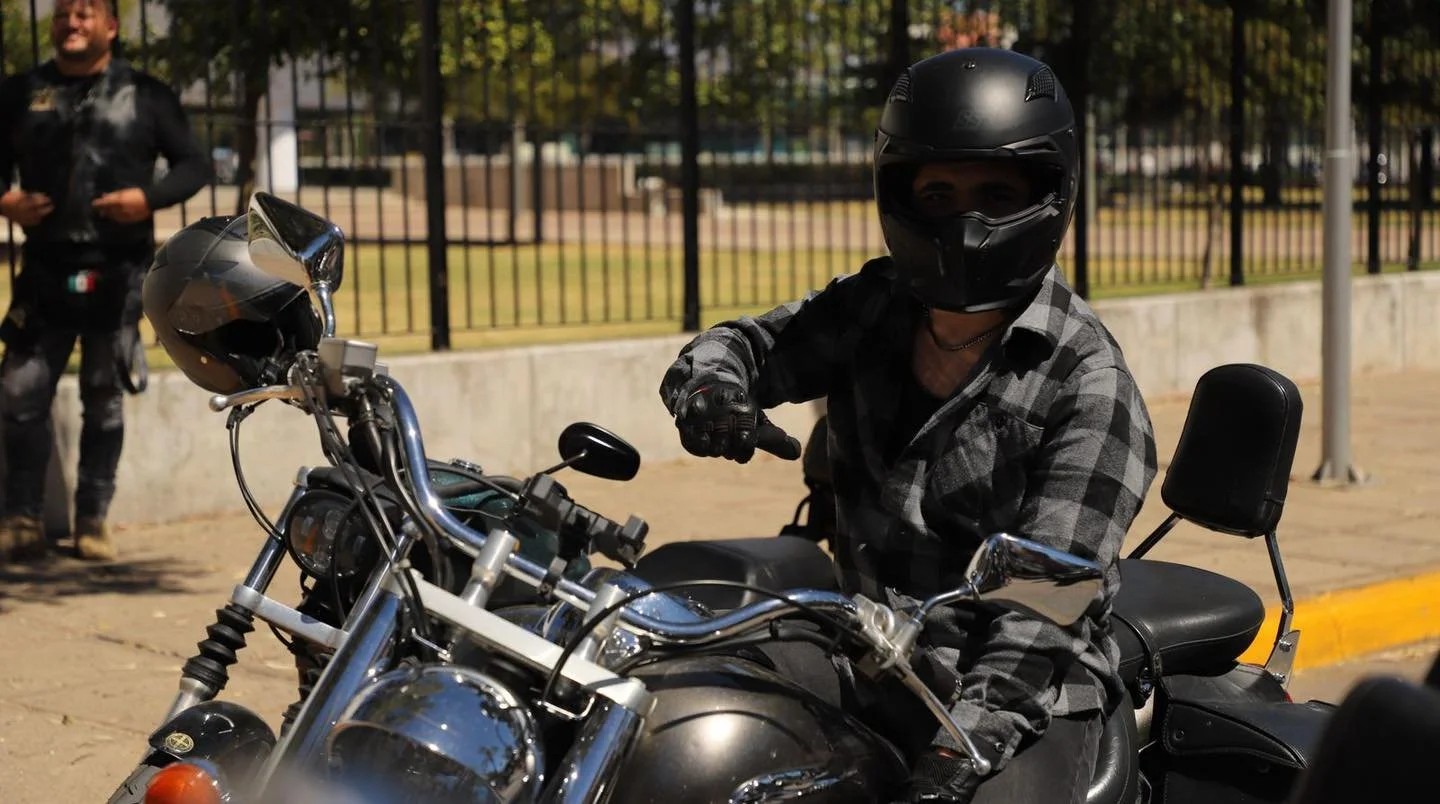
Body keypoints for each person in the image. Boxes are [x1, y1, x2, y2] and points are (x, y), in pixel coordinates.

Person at [658, 47, 1159, 803]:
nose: (965, 219)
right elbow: (745, 345)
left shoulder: (1088, 385)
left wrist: (963, 746)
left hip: (1018, 699)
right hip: (867, 655)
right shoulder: (872, 308)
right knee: (689, 717)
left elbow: (1041, 610)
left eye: (996, 192)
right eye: (938, 193)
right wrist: (710, 391)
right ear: (900, 194)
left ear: (1050, 193)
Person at [0, 0, 211, 562]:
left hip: (119, 271)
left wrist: (148, 198)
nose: (71, 22)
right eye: (62, 14)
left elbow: (195, 165)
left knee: (104, 394)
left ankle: (93, 519)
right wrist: (6, 200)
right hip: (43, 269)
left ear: (111, 27)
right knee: (19, 392)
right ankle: (20, 517)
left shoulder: (147, 93)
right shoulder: (20, 91)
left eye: (85, 13)